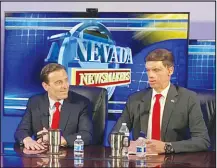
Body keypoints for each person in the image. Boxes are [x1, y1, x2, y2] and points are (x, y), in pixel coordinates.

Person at [110, 48, 210, 154]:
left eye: (156, 70)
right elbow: (115, 135)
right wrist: (129, 144)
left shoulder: (188, 98)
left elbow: (202, 141)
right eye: (148, 70)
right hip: (141, 160)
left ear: (170, 70)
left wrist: (167, 147)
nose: (151, 75)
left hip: (173, 162)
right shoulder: (135, 100)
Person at [14, 63, 93, 150]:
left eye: (66, 80)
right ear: (46, 86)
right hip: (41, 158)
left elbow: (86, 135)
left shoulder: (81, 103)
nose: (65, 86)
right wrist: (27, 140)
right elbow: (21, 131)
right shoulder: (35, 102)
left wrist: (55, 139)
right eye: (59, 82)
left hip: (68, 157)